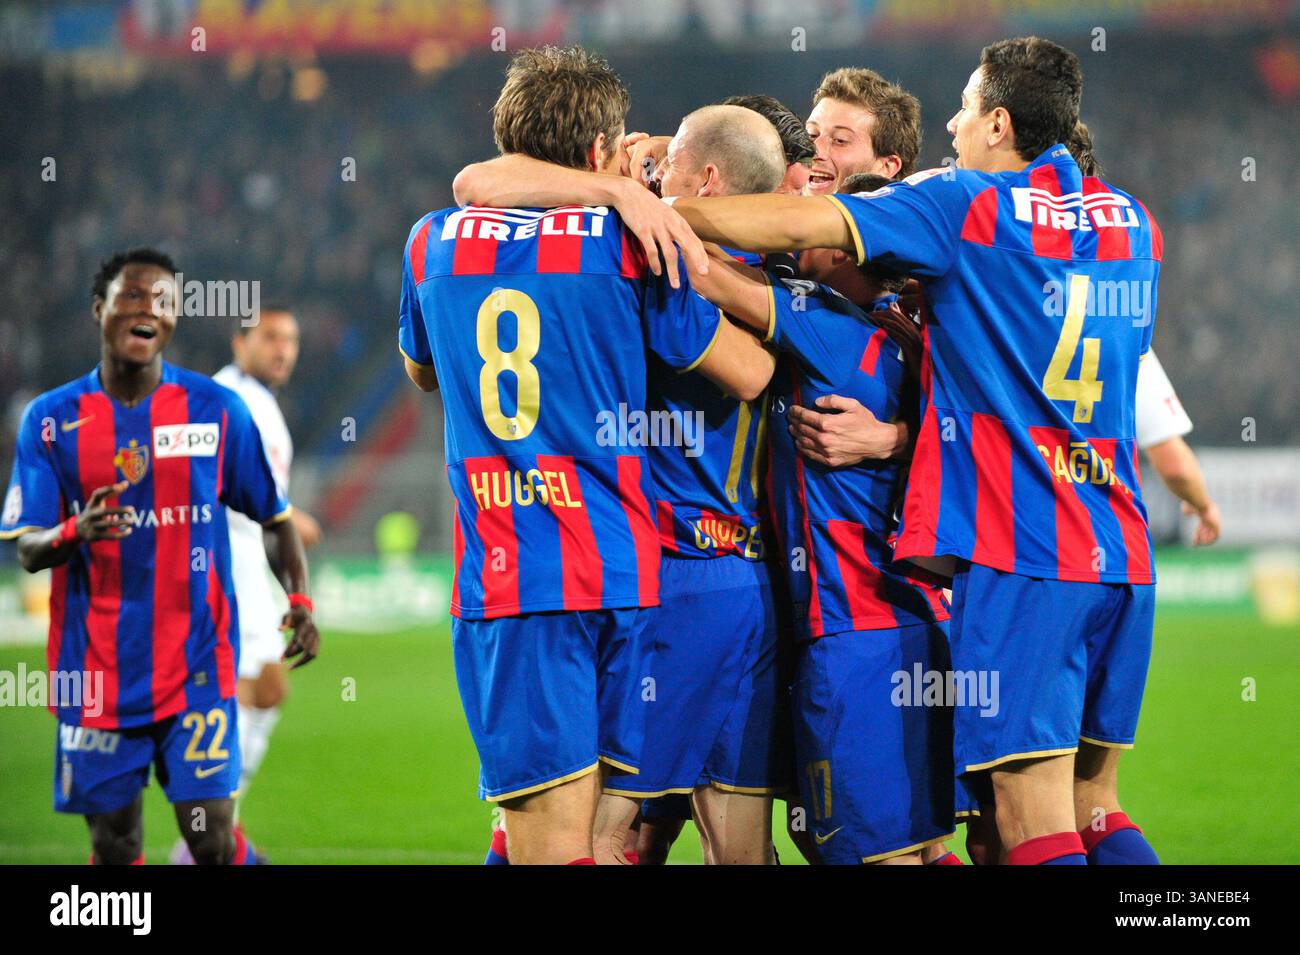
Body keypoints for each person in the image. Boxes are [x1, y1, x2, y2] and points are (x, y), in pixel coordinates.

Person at [667, 36, 1164, 865]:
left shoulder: (967, 206)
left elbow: (798, 221)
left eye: (967, 110)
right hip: (1121, 545)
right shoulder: (1129, 219)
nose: (955, 127)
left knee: (1029, 816)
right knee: (1095, 804)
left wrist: (661, 208)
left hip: (1027, 553)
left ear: (1000, 122)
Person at [401, 45, 773, 865]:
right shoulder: (630, 243)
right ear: (603, 150)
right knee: (602, 841)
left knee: (550, 843)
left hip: (515, 575)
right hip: (623, 572)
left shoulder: (431, 244)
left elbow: (421, 368)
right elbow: (751, 371)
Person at [0, 248, 318, 865]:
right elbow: (26, 547)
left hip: (196, 667)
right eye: (133, 297)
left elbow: (277, 521)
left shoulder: (217, 412)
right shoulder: (50, 421)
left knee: (211, 838)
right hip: (97, 677)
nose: (151, 310)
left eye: (165, 301)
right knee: (115, 847)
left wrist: (299, 599)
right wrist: (74, 532)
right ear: (100, 310)